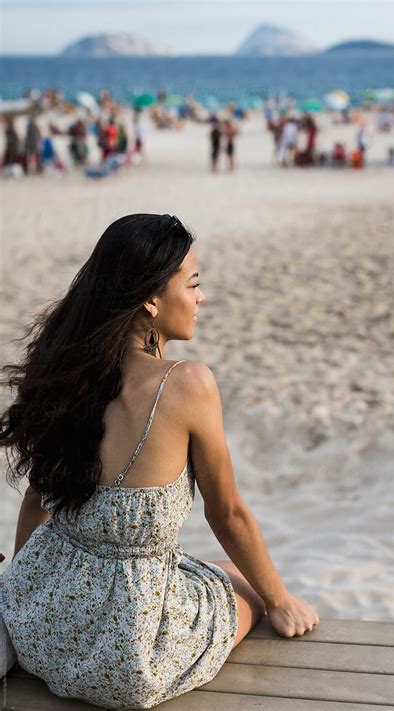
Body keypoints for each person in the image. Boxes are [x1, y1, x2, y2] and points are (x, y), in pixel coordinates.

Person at [0, 214, 319, 708]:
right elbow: (228, 514)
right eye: (193, 284)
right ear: (151, 299)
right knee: (242, 587)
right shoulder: (188, 383)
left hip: (40, 622)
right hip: (130, 653)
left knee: (210, 569)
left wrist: (22, 600)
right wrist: (280, 602)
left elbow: (36, 503)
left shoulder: (65, 373)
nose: (201, 297)